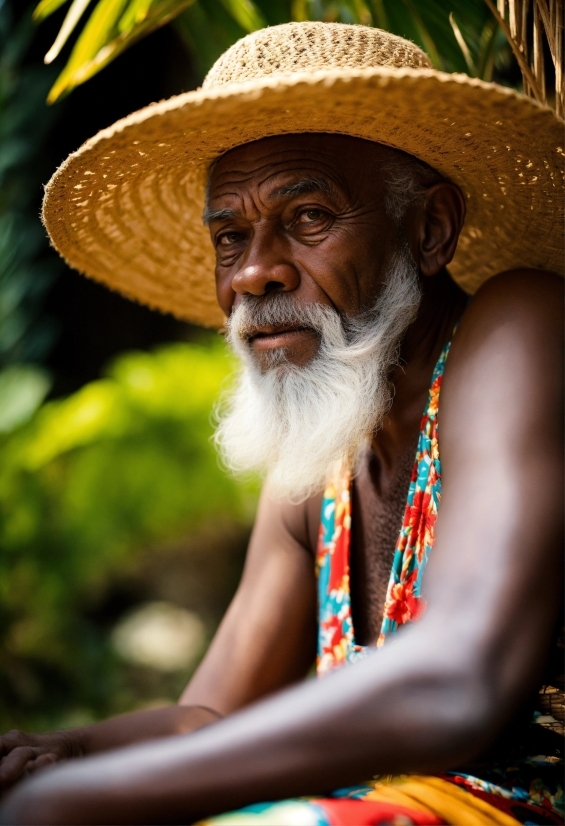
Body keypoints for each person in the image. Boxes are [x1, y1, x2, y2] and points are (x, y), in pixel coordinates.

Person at [0, 21, 563, 826]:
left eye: (306, 219)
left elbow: (458, 682)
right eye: (231, 237)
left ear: (429, 229)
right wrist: (70, 752)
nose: (255, 271)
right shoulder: (321, 452)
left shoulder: (518, 325)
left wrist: (76, 800)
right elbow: (212, 719)